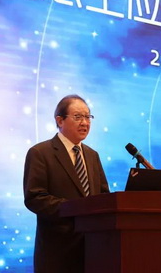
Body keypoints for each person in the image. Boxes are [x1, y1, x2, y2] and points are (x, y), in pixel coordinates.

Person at [23, 94, 110, 273]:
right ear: (60, 120)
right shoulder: (40, 153)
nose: (85, 123)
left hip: (93, 250)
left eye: (88, 117)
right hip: (58, 252)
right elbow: (35, 198)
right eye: (78, 117)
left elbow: (103, 196)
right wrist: (76, 209)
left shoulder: (92, 155)